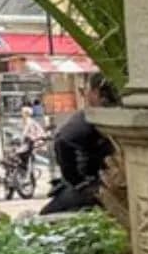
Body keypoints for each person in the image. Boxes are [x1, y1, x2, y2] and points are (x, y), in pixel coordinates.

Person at [41, 73, 120, 215]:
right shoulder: (120, 113)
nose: (85, 95)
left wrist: (78, 182)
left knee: (48, 215)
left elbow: (63, 140)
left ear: (95, 92)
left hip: (100, 184)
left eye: (85, 90)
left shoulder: (92, 116)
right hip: (112, 182)